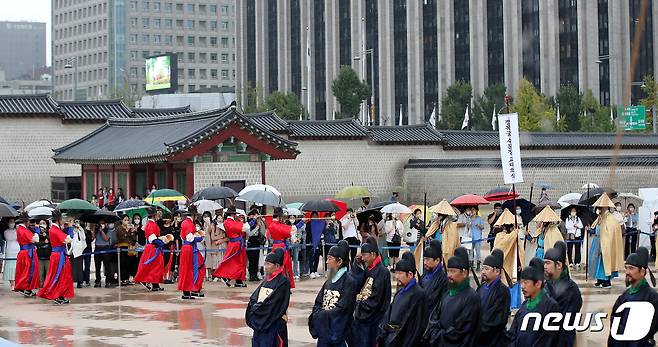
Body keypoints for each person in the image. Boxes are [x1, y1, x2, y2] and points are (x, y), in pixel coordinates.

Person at [423, 247, 480, 346]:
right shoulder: (447, 294)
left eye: (453, 271)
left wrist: (440, 336)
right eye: (448, 271)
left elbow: (462, 330)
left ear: (464, 273)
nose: (449, 275)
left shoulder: (471, 297)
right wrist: (435, 333)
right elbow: (434, 318)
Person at [308, 240, 357, 346]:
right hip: (324, 331)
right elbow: (318, 302)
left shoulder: (349, 282)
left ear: (339, 262)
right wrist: (318, 314)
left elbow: (344, 309)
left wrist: (324, 315)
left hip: (338, 332)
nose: (327, 262)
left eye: (330, 259)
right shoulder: (329, 281)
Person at [608, 247, 658, 346]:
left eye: (631, 268)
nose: (627, 272)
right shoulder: (623, 297)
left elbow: (651, 328)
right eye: (626, 268)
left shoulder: (652, 297)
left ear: (642, 271)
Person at [505, 257, 560, 346]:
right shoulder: (524, 306)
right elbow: (512, 334)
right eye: (521, 282)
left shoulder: (551, 307)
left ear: (538, 284)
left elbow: (548, 340)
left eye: (526, 282)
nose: (522, 286)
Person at [378, 252, 427, 347]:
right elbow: (389, 315)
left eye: (400, 273)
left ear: (410, 274)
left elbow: (417, 327)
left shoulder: (419, 294)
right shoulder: (400, 292)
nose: (397, 277)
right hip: (390, 339)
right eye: (396, 273)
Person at [349, 237, 391, 347]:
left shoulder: (382, 271)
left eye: (364, 255)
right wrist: (357, 265)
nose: (363, 258)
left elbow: (376, 298)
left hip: (374, 318)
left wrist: (360, 307)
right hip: (363, 315)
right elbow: (357, 285)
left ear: (373, 254)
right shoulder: (368, 269)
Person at [245, 248, 291, 346]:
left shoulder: (283, 282)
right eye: (265, 264)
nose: (265, 267)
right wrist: (254, 307)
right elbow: (254, 297)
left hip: (272, 324)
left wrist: (258, 309)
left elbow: (274, 303)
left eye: (268, 264)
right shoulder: (266, 280)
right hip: (260, 322)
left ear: (277, 266)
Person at [543, 241, 583, 347]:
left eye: (547, 263)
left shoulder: (572, 290)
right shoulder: (545, 285)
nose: (544, 266)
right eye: (544, 263)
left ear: (559, 265)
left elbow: (566, 322)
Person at [475, 249, 510, 347]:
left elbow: (497, 320)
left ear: (497, 271)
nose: (483, 272)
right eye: (483, 269)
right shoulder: (481, 287)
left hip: (493, 340)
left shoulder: (503, 291)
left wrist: (477, 329)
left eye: (486, 269)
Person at [37, 210, 74, 304]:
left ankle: (60, 295)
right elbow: (68, 239)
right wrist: (70, 227)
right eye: (61, 219)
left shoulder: (55, 229)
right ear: (58, 219)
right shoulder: (55, 230)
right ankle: (56, 295)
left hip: (58, 255)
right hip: (59, 256)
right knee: (58, 275)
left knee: (61, 275)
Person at [588, 193, 624, 288]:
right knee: (597, 261)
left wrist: (606, 244)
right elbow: (595, 227)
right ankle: (599, 279)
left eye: (600, 207)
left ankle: (606, 280)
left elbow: (611, 234)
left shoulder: (610, 219)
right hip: (597, 242)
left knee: (605, 262)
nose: (598, 208)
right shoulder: (600, 217)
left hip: (605, 244)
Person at [134, 207, 171, 291]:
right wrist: (161, 243)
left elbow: (154, 237)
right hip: (153, 248)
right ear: (154, 215)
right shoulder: (152, 225)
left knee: (153, 266)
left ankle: (154, 284)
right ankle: (146, 281)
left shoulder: (151, 224)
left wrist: (162, 238)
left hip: (151, 247)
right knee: (156, 266)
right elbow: (152, 239)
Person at [214, 206, 248, 287]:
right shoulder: (228, 222)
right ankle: (225, 276)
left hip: (237, 243)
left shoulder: (231, 221)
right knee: (235, 262)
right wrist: (248, 222)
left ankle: (238, 280)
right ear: (233, 214)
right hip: (235, 244)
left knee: (239, 262)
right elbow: (243, 228)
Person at [179, 205, 206, 299]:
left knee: (188, 269)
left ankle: (190, 290)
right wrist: (200, 237)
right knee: (196, 267)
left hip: (187, 248)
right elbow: (190, 238)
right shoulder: (189, 224)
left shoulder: (185, 223)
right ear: (194, 215)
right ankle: (192, 289)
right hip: (190, 248)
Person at [492, 208, 525, 287]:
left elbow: (520, 251)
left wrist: (521, 264)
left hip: (514, 266)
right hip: (503, 266)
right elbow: (504, 244)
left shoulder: (514, 236)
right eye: (512, 227)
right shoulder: (500, 236)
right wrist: (514, 233)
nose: (513, 228)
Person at [267, 207, 296, 288]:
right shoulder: (277, 226)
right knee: (283, 266)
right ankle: (283, 285)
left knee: (277, 266)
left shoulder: (272, 225)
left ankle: (279, 284)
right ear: (279, 217)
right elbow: (290, 231)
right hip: (281, 248)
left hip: (275, 246)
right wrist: (300, 223)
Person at [13, 213, 40, 296]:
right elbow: (36, 239)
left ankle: (26, 288)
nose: (29, 222)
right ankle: (26, 288)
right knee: (28, 271)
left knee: (24, 270)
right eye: (28, 221)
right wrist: (37, 230)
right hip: (27, 253)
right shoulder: (24, 230)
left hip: (23, 252)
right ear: (26, 221)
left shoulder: (20, 229)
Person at [419, 239, 447, 314]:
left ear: (437, 260)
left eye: (428, 260)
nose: (425, 263)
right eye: (424, 259)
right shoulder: (425, 274)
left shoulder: (443, 278)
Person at [93, 219, 116, 288]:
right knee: (97, 266)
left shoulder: (108, 230)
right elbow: (93, 238)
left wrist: (102, 231)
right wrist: (94, 230)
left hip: (105, 248)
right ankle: (98, 281)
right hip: (97, 248)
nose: (101, 225)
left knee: (107, 266)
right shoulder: (96, 230)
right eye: (100, 224)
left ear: (105, 223)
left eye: (102, 223)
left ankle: (108, 281)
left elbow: (106, 239)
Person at [115, 215, 136, 286]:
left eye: (127, 220)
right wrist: (126, 231)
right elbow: (121, 238)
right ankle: (121, 279)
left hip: (129, 247)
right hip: (121, 247)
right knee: (122, 264)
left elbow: (132, 239)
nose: (126, 221)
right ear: (122, 220)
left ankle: (127, 279)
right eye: (125, 220)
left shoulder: (129, 228)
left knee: (128, 264)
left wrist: (132, 232)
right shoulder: (119, 228)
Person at [246, 210, 266, 282]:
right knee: (252, 260)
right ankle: (251, 275)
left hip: (257, 243)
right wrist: (256, 227)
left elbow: (263, 232)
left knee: (256, 259)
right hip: (251, 243)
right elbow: (250, 234)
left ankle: (255, 274)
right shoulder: (249, 223)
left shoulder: (259, 223)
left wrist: (261, 223)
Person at [69, 218, 88, 288]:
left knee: (79, 268)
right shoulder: (71, 232)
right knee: (73, 268)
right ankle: (73, 281)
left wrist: (79, 227)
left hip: (79, 252)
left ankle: (80, 282)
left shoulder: (80, 232)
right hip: (72, 252)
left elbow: (84, 237)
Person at [307, 211, 325, 279]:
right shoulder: (309, 224)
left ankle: (315, 270)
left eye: (316, 216)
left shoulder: (319, 224)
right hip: (311, 243)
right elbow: (308, 233)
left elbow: (321, 232)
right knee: (311, 258)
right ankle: (311, 271)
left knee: (317, 257)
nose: (315, 217)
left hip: (318, 242)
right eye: (313, 216)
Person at [201, 211, 220, 277]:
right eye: (205, 216)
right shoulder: (201, 224)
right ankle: (204, 274)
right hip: (202, 243)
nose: (206, 217)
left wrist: (209, 224)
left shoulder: (212, 224)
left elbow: (210, 232)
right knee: (203, 259)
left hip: (210, 243)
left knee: (210, 259)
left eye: (208, 216)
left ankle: (211, 274)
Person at [35, 219, 52, 286]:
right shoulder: (37, 234)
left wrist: (46, 236)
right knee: (40, 273)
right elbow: (36, 243)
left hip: (48, 256)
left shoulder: (49, 232)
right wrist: (43, 243)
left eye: (44, 223)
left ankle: (48, 285)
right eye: (41, 223)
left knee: (48, 272)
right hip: (40, 256)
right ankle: (41, 286)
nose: (42, 225)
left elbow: (52, 242)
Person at [3, 218, 18, 290]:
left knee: (16, 267)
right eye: (10, 222)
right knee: (9, 267)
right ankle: (12, 283)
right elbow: (10, 238)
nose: (12, 223)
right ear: (7, 223)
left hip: (17, 249)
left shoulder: (17, 230)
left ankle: (16, 282)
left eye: (13, 222)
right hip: (9, 250)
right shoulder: (5, 232)